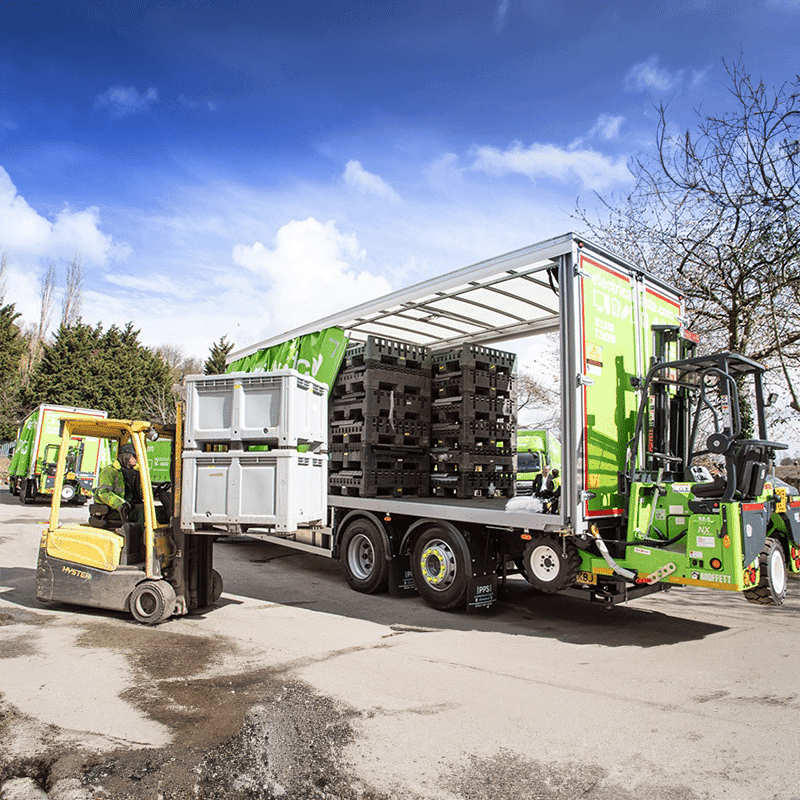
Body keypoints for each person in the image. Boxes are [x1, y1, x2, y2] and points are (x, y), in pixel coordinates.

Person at [90, 442, 143, 528]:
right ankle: (143, 538)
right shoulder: (110, 471)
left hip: (128, 506)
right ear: (125, 456)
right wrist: (121, 504)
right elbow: (104, 493)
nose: (135, 459)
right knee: (142, 511)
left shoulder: (133, 472)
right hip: (113, 510)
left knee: (156, 511)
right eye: (133, 456)